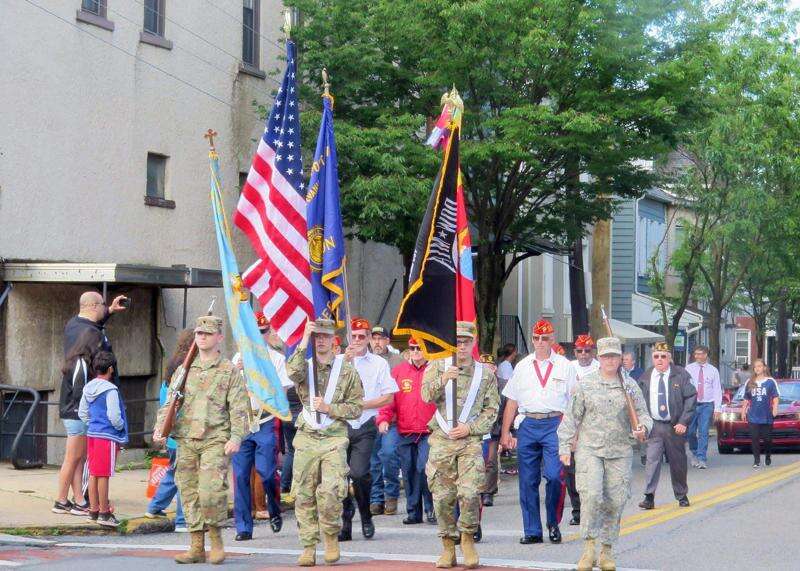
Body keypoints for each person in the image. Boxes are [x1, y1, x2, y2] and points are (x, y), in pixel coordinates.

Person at [153, 315, 250, 565]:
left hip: (215, 438)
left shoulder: (229, 371)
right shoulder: (185, 370)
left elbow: (239, 408)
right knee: (188, 491)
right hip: (186, 437)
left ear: (219, 337)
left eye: (207, 334)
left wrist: (236, 437)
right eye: (199, 333)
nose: (202, 337)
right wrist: (159, 430)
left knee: (210, 492)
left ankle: (216, 539)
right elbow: (171, 402)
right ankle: (196, 545)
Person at [558, 337, 652, 571]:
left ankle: (607, 550)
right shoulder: (585, 384)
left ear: (621, 358)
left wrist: (643, 428)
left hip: (620, 451)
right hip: (590, 449)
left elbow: (644, 415)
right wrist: (565, 447)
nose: (610, 360)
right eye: (606, 356)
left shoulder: (630, 386)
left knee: (616, 501)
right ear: (599, 358)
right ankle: (588, 548)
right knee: (591, 497)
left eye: (614, 356)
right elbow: (571, 417)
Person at [285, 318, 364, 567]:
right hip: (307, 437)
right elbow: (291, 372)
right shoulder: (304, 367)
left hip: (333, 437)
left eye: (325, 336)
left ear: (333, 340)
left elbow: (356, 408)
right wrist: (303, 338)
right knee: (304, 494)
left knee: (331, 491)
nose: (320, 340)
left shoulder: (347, 372)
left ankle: (330, 535)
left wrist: (330, 408)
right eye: (317, 336)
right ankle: (309, 546)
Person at [423, 321, 499, 569]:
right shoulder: (437, 366)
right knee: (443, 498)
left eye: (466, 341)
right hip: (442, 442)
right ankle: (448, 545)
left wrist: (471, 428)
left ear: (473, 342)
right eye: (457, 341)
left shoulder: (484, 374)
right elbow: (425, 396)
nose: (461, 346)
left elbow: (491, 409)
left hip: (469, 442)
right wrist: (444, 378)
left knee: (469, 493)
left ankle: (467, 538)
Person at [500, 319, 574, 545]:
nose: (540, 342)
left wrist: (574, 435)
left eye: (545, 338)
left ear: (553, 340)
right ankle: (532, 529)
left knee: (554, 476)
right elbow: (512, 401)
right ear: (532, 339)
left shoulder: (564, 365)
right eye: (536, 338)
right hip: (528, 424)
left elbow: (574, 402)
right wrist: (505, 433)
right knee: (528, 480)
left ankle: (553, 522)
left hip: (555, 423)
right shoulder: (522, 366)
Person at [231, 312, 293, 541]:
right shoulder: (238, 357)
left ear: (269, 333)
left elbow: (283, 394)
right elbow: (228, 391)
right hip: (243, 422)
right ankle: (243, 527)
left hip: (265, 421)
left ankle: (275, 508)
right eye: (255, 332)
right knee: (240, 476)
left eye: (263, 332)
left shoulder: (276, 359)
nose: (259, 336)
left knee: (266, 473)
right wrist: (236, 371)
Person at [339, 318, 398, 542]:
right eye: (353, 336)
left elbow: (388, 397)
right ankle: (346, 520)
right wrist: (344, 362)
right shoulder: (339, 362)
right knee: (340, 475)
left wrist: (361, 404)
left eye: (361, 337)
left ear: (368, 339)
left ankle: (365, 515)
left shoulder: (378, 364)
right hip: (341, 424)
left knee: (359, 473)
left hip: (364, 424)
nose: (357, 341)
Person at [376, 337, 437, 525]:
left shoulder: (434, 370)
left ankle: (430, 508)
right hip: (405, 429)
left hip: (428, 430)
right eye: (413, 348)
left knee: (424, 468)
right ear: (409, 350)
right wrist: (383, 419)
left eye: (420, 347)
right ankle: (413, 511)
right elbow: (389, 399)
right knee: (408, 469)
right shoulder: (398, 371)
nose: (416, 351)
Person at [145, 329, 194, 532]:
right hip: (183, 431)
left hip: (170, 432)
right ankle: (182, 520)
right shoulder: (188, 368)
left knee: (173, 473)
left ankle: (154, 507)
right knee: (185, 477)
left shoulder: (172, 365)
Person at [637, 341, 696, 510]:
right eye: (656, 357)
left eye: (663, 356)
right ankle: (649, 496)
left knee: (677, 462)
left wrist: (684, 422)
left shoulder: (681, 375)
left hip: (674, 426)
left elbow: (691, 398)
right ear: (652, 358)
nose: (660, 360)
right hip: (654, 425)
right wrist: (641, 424)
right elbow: (638, 403)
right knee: (652, 461)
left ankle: (681, 494)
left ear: (669, 357)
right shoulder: (645, 378)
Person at [53, 329, 101, 516]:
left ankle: (79, 500)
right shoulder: (81, 363)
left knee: (78, 459)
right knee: (72, 459)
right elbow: (80, 392)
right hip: (76, 415)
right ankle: (61, 500)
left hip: (73, 414)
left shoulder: (75, 360)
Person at [78, 351, 128, 527]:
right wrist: (120, 425)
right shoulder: (111, 390)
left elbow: (82, 412)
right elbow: (114, 415)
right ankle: (105, 513)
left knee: (93, 473)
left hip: (92, 434)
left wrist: (92, 423)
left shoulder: (88, 388)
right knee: (104, 475)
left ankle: (93, 510)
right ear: (111, 369)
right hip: (106, 436)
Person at [564, 334, 599, 526]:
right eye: (579, 351)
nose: (584, 354)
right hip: (572, 423)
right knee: (571, 470)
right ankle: (577, 510)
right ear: (575, 352)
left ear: (593, 351)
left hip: (593, 424)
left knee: (592, 468)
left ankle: (592, 508)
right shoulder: (568, 368)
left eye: (587, 350)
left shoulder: (600, 368)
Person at [368, 325, 403, 517]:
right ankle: (376, 498)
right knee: (372, 461)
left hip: (392, 418)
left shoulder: (397, 361)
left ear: (388, 341)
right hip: (369, 416)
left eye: (381, 339)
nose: (377, 343)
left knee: (389, 455)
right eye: (374, 339)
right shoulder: (364, 360)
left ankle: (391, 495)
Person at [64, 291, 128, 385]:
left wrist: (110, 310)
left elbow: (92, 323)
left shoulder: (73, 324)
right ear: (94, 306)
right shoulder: (93, 335)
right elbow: (102, 370)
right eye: (103, 304)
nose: (105, 307)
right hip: (96, 391)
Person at [685, 345, 722, 469]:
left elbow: (717, 390)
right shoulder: (688, 369)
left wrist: (717, 408)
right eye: (696, 354)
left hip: (707, 404)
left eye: (700, 354)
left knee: (703, 432)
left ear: (706, 354)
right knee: (690, 432)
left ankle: (701, 458)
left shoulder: (713, 370)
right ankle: (694, 452)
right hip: (692, 404)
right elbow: (684, 387)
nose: (698, 356)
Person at [741, 358, 779, 468]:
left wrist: (775, 408)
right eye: (755, 366)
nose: (757, 368)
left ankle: (768, 455)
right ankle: (756, 460)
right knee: (754, 438)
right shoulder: (750, 382)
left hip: (766, 416)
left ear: (764, 368)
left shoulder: (770, 382)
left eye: (760, 366)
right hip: (753, 416)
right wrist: (743, 411)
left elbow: (775, 397)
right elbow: (746, 399)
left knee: (767, 439)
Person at [479, 353, 501, 508]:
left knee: (491, 461)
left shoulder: (503, 386)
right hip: (477, 430)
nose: (487, 369)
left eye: (489, 366)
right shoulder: (474, 384)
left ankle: (488, 492)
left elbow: (506, 409)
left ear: (495, 368)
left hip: (494, 430)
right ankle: (478, 490)